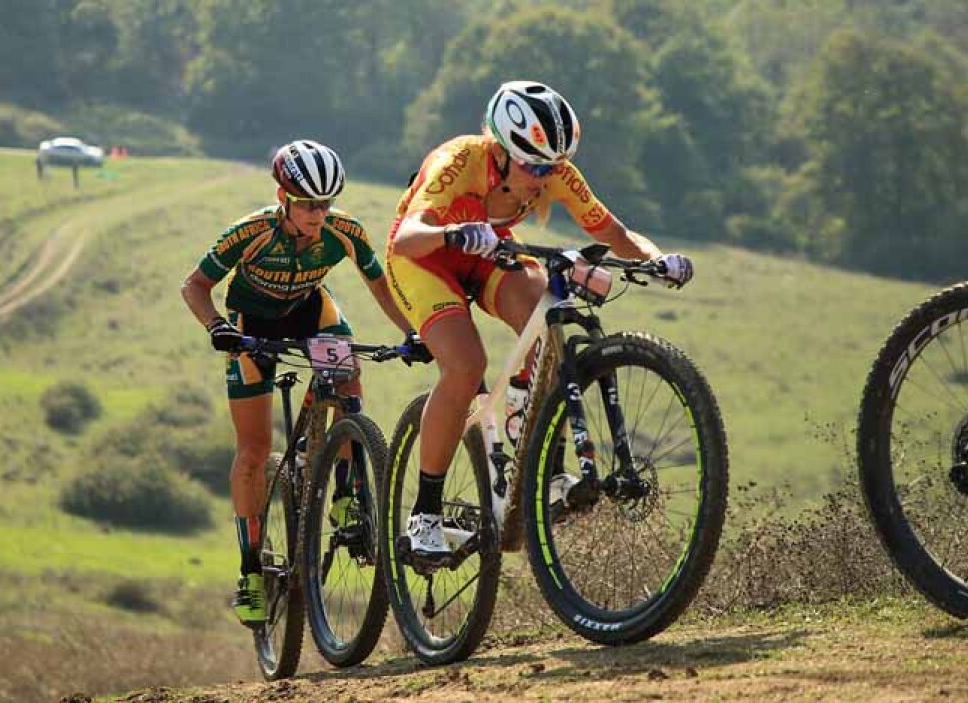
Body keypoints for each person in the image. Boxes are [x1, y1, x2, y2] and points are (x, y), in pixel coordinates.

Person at [385, 80, 694, 556]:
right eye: (532, 164)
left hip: (489, 252)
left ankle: (536, 452)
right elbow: (408, 236)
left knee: (546, 312)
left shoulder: (555, 172)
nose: (542, 176)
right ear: (501, 150)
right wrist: (453, 233)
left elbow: (609, 230)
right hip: (426, 259)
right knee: (466, 365)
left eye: (552, 164)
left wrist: (655, 259)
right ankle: (424, 513)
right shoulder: (460, 160)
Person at [181, 140, 422, 627]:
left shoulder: (344, 231)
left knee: (349, 371)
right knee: (252, 450)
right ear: (284, 197)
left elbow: (379, 284)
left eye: (326, 203)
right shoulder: (249, 232)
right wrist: (217, 328)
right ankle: (250, 569)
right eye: (309, 204)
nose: (319, 214)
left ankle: (347, 496)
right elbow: (194, 286)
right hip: (252, 327)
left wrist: (412, 332)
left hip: (312, 312)